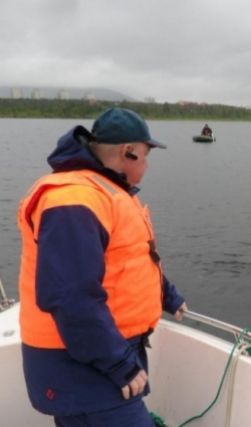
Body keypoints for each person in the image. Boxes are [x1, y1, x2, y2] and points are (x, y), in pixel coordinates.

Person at [17, 107, 187, 426]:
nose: (148, 165)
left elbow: (131, 257)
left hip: (96, 353)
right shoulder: (74, 200)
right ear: (129, 152)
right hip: (80, 364)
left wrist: (168, 295)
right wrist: (121, 365)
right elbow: (70, 298)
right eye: (146, 155)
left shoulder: (105, 192)